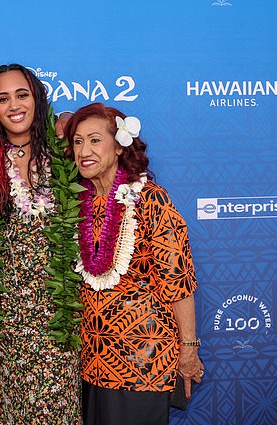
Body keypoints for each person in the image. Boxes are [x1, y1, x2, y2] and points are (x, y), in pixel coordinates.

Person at [63, 103, 204, 425]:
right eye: (78, 141)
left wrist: (189, 350)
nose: (84, 150)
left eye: (95, 140)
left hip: (141, 362)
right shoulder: (75, 202)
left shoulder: (151, 200)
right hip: (89, 362)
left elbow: (179, 284)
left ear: (119, 146)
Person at [0, 64, 81, 424]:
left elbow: (107, 136)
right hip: (4, 316)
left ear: (37, 98)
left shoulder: (66, 149)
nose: (14, 105)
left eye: (22, 94)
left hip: (57, 314)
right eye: (2, 99)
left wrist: (68, 118)